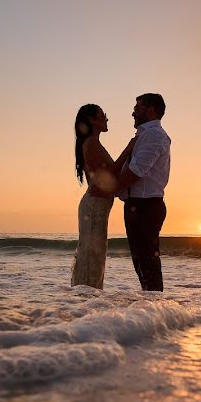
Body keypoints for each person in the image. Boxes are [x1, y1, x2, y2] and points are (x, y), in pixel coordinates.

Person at [108, 93, 171, 292]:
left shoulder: (154, 135)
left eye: (138, 107)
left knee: (147, 264)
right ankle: (153, 307)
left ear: (151, 109)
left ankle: (156, 309)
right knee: (142, 264)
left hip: (145, 206)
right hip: (140, 205)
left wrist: (106, 191)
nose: (133, 112)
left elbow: (136, 172)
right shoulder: (144, 135)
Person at [70, 104, 136, 289]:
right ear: (92, 120)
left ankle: (86, 300)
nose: (106, 119)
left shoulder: (93, 142)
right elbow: (112, 173)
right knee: (92, 253)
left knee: (95, 252)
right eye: (103, 115)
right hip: (94, 205)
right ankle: (85, 297)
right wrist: (129, 148)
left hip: (97, 205)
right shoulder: (91, 142)